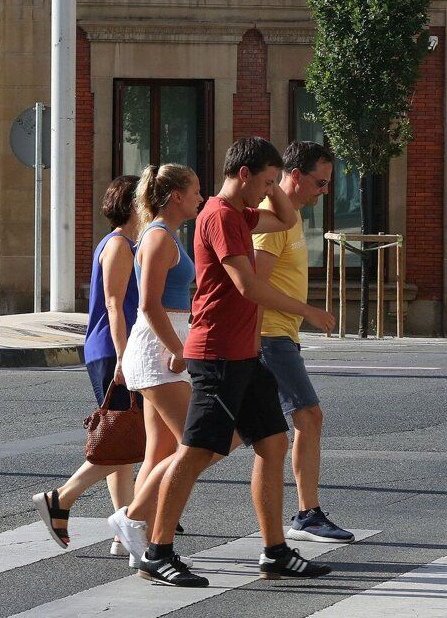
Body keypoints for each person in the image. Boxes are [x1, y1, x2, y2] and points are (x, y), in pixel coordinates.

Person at [136, 137, 337, 588]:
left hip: (245, 353)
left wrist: (274, 182)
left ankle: (276, 551)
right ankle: (157, 550)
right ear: (243, 175)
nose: (272, 189)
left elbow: (287, 218)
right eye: (265, 181)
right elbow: (247, 285)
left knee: (272, 444)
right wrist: (308, 311)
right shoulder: (221, 216)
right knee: (194, 452)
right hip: (218, 353)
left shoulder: (242, 213)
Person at [33, 175, 141, 554]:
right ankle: (61, 497)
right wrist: (125, 357)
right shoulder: (118, 246)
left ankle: (123, 528)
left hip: (115, 349)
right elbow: (114, 305)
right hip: (114, 350)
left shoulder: (127, 244)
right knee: (126, 438)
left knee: (123, 442)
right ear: (134, 205)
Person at [254, 141, 353, 544]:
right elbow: (255, 286)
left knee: (224, 437)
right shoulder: (273, 222)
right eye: (320, 182)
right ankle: (307, 515)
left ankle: (150, 505)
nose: (325, 191)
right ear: (294, 176)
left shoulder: (291, 218)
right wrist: (309, 311)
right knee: (308, 416)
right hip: (269, 337)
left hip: (280, 337)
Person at [107, 165, 202, 568]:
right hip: (159, 351)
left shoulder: (166, 234)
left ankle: (135, 535)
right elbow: (148, 304)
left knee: (161, 449)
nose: (201, 197)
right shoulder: (160, 236)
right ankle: (131, 519)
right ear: (176, 196)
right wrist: (178, 348)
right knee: (196, 445)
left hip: (163, 347)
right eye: (196, 190)